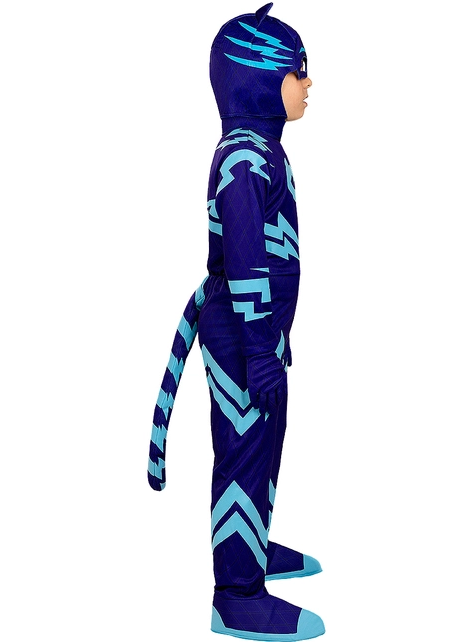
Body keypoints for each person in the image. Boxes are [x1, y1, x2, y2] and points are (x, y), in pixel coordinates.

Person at [147, 3, 325, 639]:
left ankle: (250, 543)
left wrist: (272, 341)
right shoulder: (244, 159)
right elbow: (248, 258)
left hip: (258, 334)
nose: (309, 83)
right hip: (240, 334)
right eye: (298, 71)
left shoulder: (261, 152)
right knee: (244, 449)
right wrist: (256, 349)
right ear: (259, 79)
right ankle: (236, 594)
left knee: (265, 443)